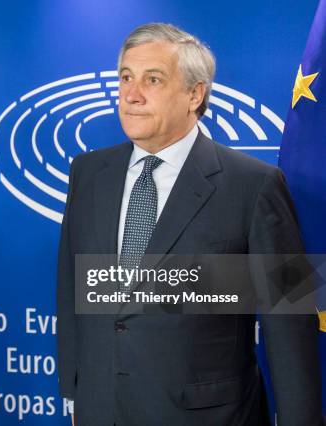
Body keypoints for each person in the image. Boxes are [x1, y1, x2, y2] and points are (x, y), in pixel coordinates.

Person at [56, 23, 322, 426]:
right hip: (101, 409)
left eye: (153, 80)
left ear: (194, 94)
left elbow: (290, 320)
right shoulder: (89, 172)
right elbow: (73, 288)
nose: (131, 94)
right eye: (125, 77)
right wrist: (76, 396)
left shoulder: (255, 185)